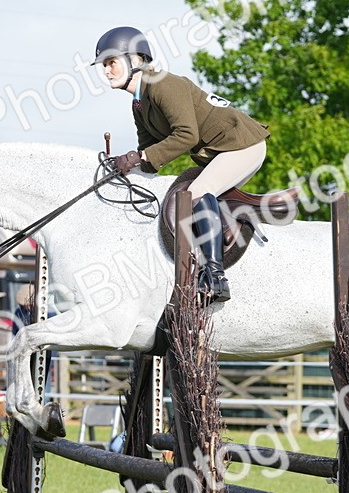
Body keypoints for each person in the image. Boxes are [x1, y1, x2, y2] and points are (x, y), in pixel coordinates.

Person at [92, 25, 270, 303]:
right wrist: (127, 168)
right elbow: (149, 153)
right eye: (103, 65)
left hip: (241, 145)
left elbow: (187, 135)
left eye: (111, 62)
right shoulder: (139, 103)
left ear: (134, 60)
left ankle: (215, 278)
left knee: (195, 195)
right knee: (182, 194)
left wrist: (140, 158)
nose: (106, 71)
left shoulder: (162, 84)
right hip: (219, 152)